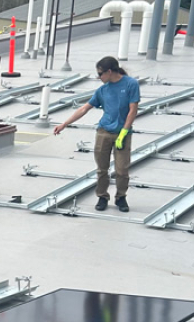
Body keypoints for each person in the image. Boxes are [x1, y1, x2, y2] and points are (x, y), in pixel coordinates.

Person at [53, 55, 141, 212]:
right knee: (102, 168)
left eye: (100, 74)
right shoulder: (102, 90)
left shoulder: (130, 84)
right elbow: (85, 108)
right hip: (104, 132)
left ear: (109, 71)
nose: (98, 77)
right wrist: (65, 124)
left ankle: (121, 197)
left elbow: (133, 109)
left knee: (122, 169)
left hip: (123, 133)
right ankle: (102, 196)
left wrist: (124, 132)